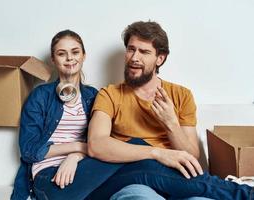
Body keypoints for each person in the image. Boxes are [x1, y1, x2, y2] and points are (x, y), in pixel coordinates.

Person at [86, 21, 254, 200]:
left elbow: (191, 157)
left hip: (179, 182)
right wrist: (157, 153)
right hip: (133, 181)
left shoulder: (181, 95)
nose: (134, 57)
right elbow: (96, 145)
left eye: (144, 52)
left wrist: (171, 124)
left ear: (160, 58)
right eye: (131, 49)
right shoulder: (109, 95)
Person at [11, 29, 147, 200]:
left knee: (138, 162)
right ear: (53, 59)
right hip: (48, 177)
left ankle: (190, 186)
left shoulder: (94, 96)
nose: (70, 58)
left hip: (84, 172)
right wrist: (78, 147)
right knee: (139, 148)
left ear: (83, 56)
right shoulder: (40, 96)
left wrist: (75, 157)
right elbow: (29, 151)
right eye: (62, 54)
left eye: (75, 52)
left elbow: (106, 143)